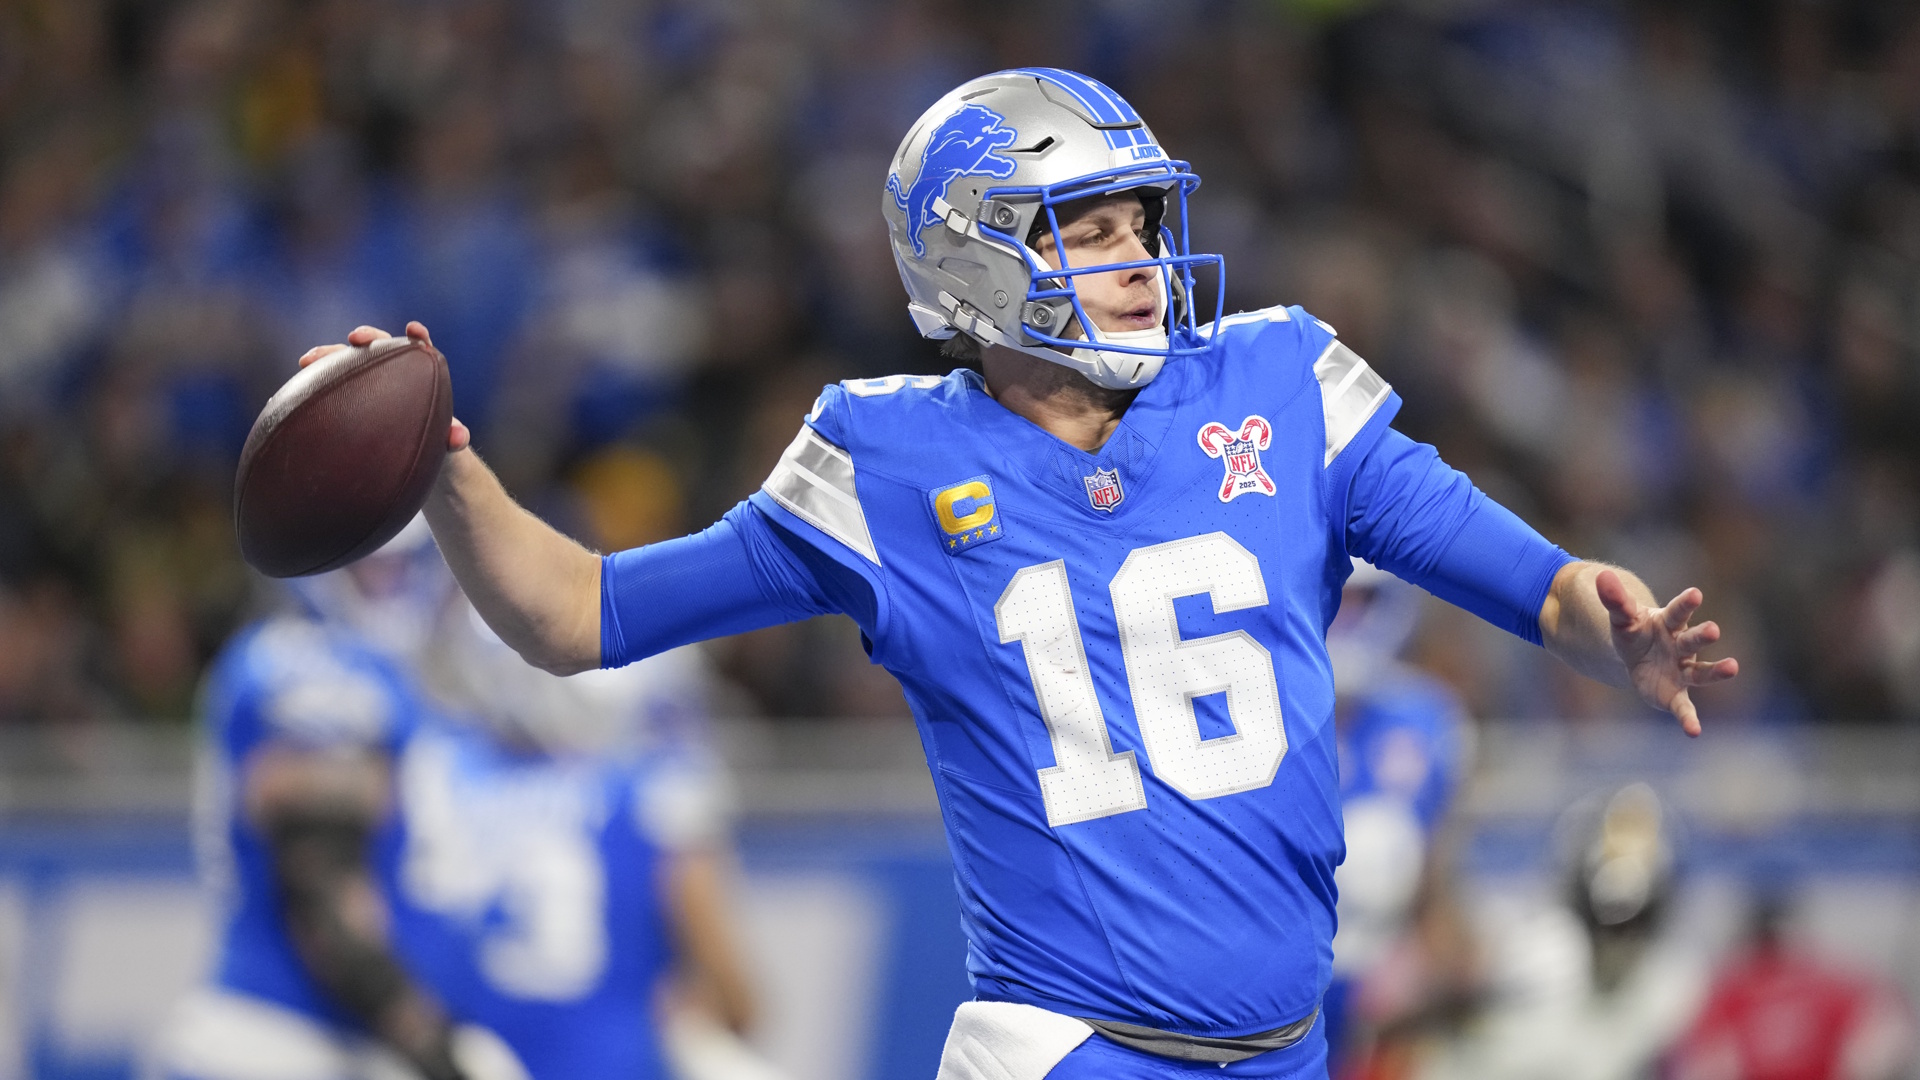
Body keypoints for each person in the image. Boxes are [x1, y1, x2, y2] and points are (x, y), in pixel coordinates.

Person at [299, 68, 1737, 1080]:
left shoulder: (1277, 381)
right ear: (975, 262)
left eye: (1142, 224)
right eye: (1090, 229)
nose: (1139, 260)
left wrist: (1599, 620)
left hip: (1289, 1048)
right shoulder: (888, 463)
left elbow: (1525, 577)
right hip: (1069, 1048)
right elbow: (579, 614)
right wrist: (446, 466)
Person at [150, 522, 773, 1080]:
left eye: (405, 567)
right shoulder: (313, 665)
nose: (395, 589)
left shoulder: (413, 708)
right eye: (374, 569)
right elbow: (325, 900)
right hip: (283, 1039)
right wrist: (431, 1043)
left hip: (327, 1042)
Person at [1321, 561, 1471, 1076]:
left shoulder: (1427, 719)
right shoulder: (1259, 711)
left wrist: (1442, 966)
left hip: (1381, 982)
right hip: (1276, 972)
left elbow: (1436, 880)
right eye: (1334, 596)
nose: (1344, 615)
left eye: (1359, 600)